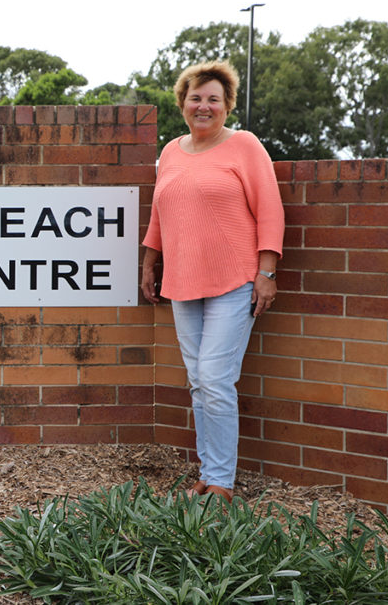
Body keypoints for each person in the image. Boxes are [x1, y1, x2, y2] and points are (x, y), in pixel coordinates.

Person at [141, 61, 285, 503]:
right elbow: (160, 214)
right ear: (183, 103)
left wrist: (266, 272)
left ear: (226, 106)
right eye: (196, 97)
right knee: (198, 380)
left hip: (234, 280)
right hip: (182, 283)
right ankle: (208, 472)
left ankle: (220, 481)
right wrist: (150, 263)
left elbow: (270, 210)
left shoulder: (244, 146)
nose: (203, 106)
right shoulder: (171, 151)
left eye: (213, 99)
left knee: (214, 378)